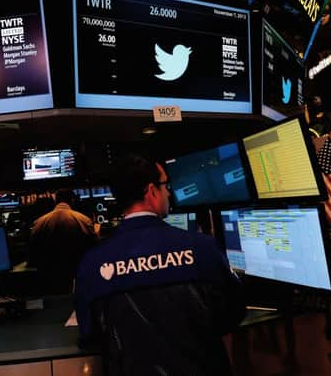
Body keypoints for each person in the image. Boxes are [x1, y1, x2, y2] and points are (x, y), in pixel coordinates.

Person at [74, 154, 246, 376]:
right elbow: (233, 313)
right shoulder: (203, 248)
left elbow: (90, 335)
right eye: (165, 185)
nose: (169, 192)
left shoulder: (92, 263)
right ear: (151, 191)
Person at [29, 188, 97, 293]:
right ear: (72, 201)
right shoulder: (84, 220)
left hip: (49, 277)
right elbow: (94, 248)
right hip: (77, 275)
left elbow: (33, 253)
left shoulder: (39, 222)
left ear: (56, 200)